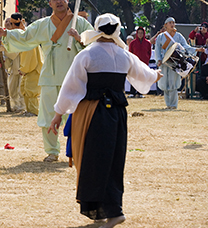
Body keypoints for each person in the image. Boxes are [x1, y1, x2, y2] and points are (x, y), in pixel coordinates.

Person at [49, 13, 161, 228]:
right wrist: (156, 75)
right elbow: (145, 75)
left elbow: (71, 87)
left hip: (92, 112)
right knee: (113, 160)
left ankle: (102, 213)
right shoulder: (124, 55)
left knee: (92, 161)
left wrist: (58, 114)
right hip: (117, 114)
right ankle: (113, 210)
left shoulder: (87, 55)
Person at [0, 0, 93, 162]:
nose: (59, 1)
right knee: (48, 114)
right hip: (50, 75)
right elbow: (26, 37)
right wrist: (7, 34)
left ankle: (79, 150)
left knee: (77, 115)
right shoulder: (43, 24)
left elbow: (93, 45)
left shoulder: (81, 23)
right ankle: (52, 151)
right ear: (50, 3)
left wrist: (79, 38)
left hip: (74, 75)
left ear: (67, 1)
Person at [154, 17, 204, 109]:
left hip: (175, 63)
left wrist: (196, 49)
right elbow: (157, 49)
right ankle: (168, 104)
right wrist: (159, 60)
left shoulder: (178, 36)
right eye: (170, 23)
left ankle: (173, 105)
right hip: (165, 63)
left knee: (173, 84)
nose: (172, 24)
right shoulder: (160, 37)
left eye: (173, 22)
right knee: (165, 84)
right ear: (165, 25)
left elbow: (185, 46)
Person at [3, 14, 26, 112]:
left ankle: (22, 106)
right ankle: (16, 105)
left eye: (10, 22)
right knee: (12, 89)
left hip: (22, 65)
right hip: (13, 67)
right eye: (7, 22)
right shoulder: (7, 36)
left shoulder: (22, 33)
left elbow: (16, 51)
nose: (9, 24)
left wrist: (5, 50)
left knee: (21, 89)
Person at [128, 26, 152, 97]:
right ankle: (132, 92)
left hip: (144, 63)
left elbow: (149, 53)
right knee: (134, 77)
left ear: (144, 33)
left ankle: (140, 93)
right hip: (135, 63)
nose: (140, 34)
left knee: (142, 78)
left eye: (141, 33)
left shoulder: (148, 43)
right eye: (139, 33)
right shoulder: (133, 43)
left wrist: (147, 60)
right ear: (137, 34)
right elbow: (130, 52)